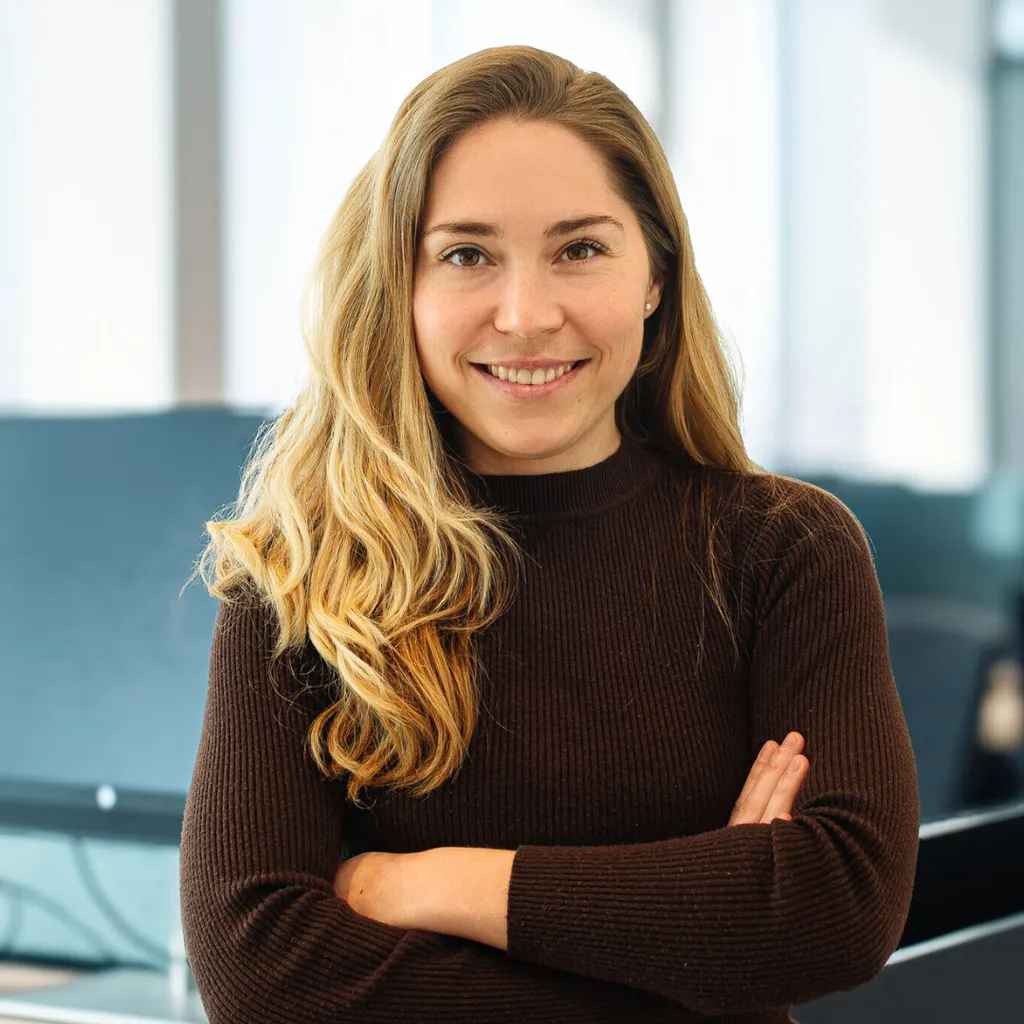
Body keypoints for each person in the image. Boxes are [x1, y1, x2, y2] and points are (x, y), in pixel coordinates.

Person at [179, 44, 920, 1024]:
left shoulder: (781, 551)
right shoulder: (303, 570)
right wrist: (700, 940)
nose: (525, 315)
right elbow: (264, 972)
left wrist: (433, 885)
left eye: (579, 248)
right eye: (466, 254)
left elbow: (834, 908)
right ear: (399, 285)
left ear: (655, 274)